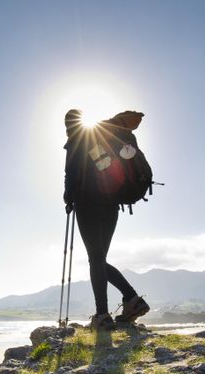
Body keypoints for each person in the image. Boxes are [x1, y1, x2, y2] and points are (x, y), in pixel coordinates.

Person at [63, 108, 150, 330]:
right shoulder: (105, 135)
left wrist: (68, 198)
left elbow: (71, 174)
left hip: (88, 203)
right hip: (112, 204)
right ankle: (132, 300)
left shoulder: (76, 140)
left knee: (96, 259)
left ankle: (102, 314)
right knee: (99, 258)